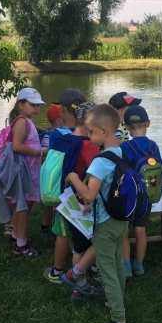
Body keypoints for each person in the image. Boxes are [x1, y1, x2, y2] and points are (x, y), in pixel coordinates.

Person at [66, 104, 131, 323]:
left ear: (103, 130)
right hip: (120, 220)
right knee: (116, 265)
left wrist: (74, 177)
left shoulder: (100, 162)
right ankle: (117, 302)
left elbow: (89, 194)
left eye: (90, 132)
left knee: (107, 272)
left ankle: (119, 322)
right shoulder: (120, 152)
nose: (88, 136)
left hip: (104, 224)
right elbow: (105, 190)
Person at [46, 102, 101, 287]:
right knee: (88, 237)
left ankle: (57, 271)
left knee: (63, 234)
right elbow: (98, 174)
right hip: (81, 200)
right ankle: (84, 272)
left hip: (62, 196)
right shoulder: (89, 146)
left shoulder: (63, 139)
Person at [119, 105, 162, 278]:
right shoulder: (154, 145)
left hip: (129, 198)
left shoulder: (124, 147)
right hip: (147, 198)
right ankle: (139, 265)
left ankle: (127, 267)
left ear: (126, 126)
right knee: (140, 230)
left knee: (124, 232)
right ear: (148, 123)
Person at [9, 87, 46, 257]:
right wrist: (39, 153)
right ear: (21, 105)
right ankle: (21, 246)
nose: (37, 108)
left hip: (30, 171)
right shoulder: (22, 121)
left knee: (24, 205)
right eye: (33, 105)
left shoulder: (27, 120)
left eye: (38, 105)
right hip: (26, 172)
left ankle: (16, 236)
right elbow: (17, 146)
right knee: (23, 207)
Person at [38, 103, 65, 242]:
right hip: (54, 175)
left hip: (55, 173)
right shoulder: (52, 136)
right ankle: (46, 227)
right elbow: (44, 154)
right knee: (53, 204)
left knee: (53, 204)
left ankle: (48, 226)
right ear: (59, 121)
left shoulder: (50, 134)